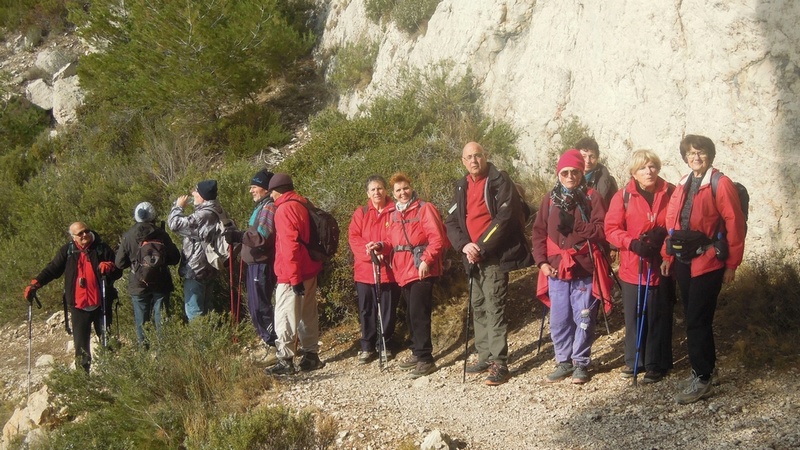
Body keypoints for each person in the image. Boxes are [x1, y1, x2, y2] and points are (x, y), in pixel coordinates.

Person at [661, 134, 745, 404]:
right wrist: (667, 255)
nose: (695, 157)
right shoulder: (684, 182)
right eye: (691, 153)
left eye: (701, 152)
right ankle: (705, 369)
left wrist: (732, 263)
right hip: (684, 259)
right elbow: (672, 223)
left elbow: (735, 225)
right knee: (693, 316)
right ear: (685, 157)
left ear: (710, 154)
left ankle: (703, 378)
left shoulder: (721, 184)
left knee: (697, 318)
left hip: (708, 259)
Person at [444, 142, 533, 386]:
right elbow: (451, 221)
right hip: (471, 256)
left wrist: (481, 247)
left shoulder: (499, 181)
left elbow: (505, 217)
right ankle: (484, 355)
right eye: (469, 157)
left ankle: (499, 362)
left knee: (495, 307)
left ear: (486, 157)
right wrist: (465, 245)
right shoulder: (461, 186)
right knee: (479, 305)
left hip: (493, 256)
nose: (474, 161)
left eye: (478, 156)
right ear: (463, 161)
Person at [532, 149, 611, 384]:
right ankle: (563, 361)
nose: (569, 176)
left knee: (584, 316)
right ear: (558, 174)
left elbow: (601, 230)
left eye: (575, 172)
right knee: (559, 317)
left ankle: (581, 362)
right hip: (556, 268)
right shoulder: (549, 199)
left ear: (581, 173)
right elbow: (538, 232)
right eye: (565, 172)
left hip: (583, 266)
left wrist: (577, 225)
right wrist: (541, 262)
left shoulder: (591, 198)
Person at [604, 150, 676, 384]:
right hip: (633, 264)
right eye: (643, 168)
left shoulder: (671, 192)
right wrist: (632, 243)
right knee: (634, 314)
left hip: (662, 263)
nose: (649, 171)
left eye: (653, 166)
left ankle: (657, 362)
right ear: (634, 172)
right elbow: (611, 228)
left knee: (659, 313)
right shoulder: (623, 195)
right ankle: (635, 359)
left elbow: (677, 225)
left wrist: (664, 244)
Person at [370, 172, 447, 379]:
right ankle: (416, 351)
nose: (403, 193)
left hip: (421, 267)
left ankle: (425, 359)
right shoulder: (394, 214)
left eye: (405, 188)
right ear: (393, 194)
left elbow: (437, 238)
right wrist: (380, 246)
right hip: (402, 271)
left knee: (419, 313)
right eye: (398, 190)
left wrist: (426, 260)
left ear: (411, 188)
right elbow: (390, 242)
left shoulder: (424, 208)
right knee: (410, 314)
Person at [24, 222, 121, 373]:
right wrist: (36, 283)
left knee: (107, 341)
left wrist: (109, 267)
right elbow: (53, 269)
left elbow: (117, 271)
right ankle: (83, 381)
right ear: (73, 237)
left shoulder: (101, 248)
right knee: (81, 346)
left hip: (101, 302)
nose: (84, 235)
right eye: (80, 233)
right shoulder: (68, 250)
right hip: (78, 305)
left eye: (86, 231)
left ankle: (110, 375)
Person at [266, 173, 325, 375]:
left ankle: (285, 360)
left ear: (277, 191)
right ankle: (311, 356)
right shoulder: (303, 203)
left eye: (272, 192)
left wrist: (293, 278)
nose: (271, 196)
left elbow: (289, 247)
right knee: (308, 314)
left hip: (293, 273)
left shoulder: (284, 210)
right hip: (309, 269)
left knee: (285, 316)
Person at [224, 169, 279, 359]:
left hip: (261, 264)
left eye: (254, 187)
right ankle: (268, 342)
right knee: (256, 304)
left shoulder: (268, 208)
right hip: (256, 263)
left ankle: (272, 344)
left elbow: (262, 236)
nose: (251, 191)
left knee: (260, 305)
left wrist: (239, 236)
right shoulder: (262, 207)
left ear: (265, 189)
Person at [348, 175, 400, 364]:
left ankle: (384, 342)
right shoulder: (361, 213)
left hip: (388, 270)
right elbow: (354, 237)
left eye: (380, 188)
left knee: (387, 309)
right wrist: (369, 253)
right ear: (367, 193)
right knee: (366, 309)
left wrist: (382, 247)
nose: (377, 192)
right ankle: (367, 345)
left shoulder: (395, 211)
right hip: (364, 270)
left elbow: (395, 237)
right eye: (373, 190)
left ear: (386, 190)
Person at [115, 202, 181, 345]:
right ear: (153, 216)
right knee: (161, 318)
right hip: (161, 281)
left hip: (138, 282)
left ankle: (144, 352)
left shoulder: (129, 235)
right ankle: (163, 352)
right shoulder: (161, 233)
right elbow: (175, 258)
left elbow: (119, 263)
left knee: (141, 320)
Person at [168, 179, 231, 321]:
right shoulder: (218, 210)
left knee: (194, 311)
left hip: (196, 269)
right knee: (207, 308)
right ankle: (211, 341)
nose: (192, 193)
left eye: (195, 191)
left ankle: (202, 342)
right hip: (210, 267)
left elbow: (174, 224)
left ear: (202, 196)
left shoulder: (204, 215)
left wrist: (178, 207)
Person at [575, 137, 618, 208]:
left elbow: (613, 210)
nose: (587, 161)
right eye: (583, 156)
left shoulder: (608, 182)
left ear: (597, 158)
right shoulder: (569, 179)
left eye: (592, 157)